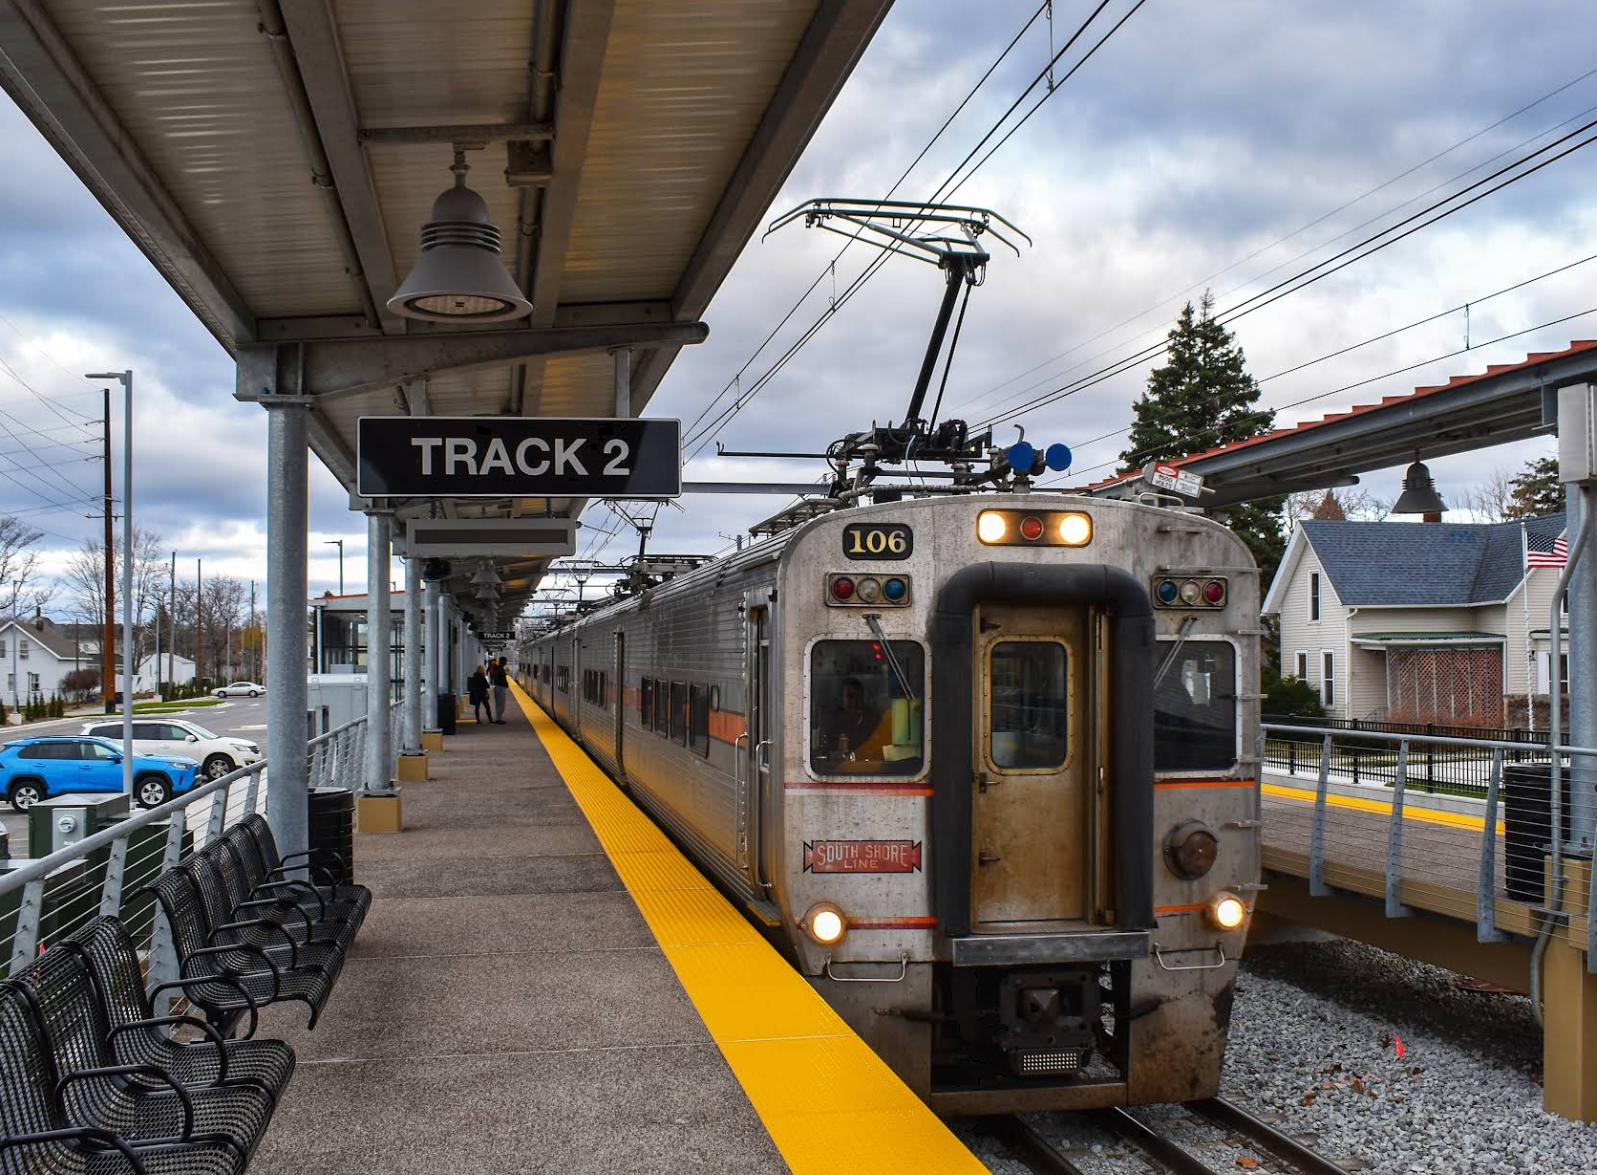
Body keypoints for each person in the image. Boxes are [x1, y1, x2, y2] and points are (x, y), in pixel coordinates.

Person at [818, 677, 888, 761]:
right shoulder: (833, 724)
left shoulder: (874, 721)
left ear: (864, 698)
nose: (854, 700)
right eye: (849, 696)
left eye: (858, 696)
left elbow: (883, 751)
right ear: (841, 699)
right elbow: (824, 753)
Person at [490, 657, 510, 724]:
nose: (506, 663)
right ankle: (498, 719)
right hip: (501, 688)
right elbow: (502, 679)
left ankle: (498, 718)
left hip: (497, 687)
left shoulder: (497, 668)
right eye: (505, 661)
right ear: (503, 662)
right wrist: (506, 684)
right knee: (501, 704)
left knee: (498, 703)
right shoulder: (500, 668)